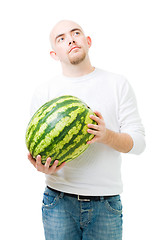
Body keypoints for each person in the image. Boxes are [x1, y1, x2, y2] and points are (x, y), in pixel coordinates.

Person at [28, 20, 146, 240]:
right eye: (61, 38)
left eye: (76, 33)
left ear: (87, 41)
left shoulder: (117, 83)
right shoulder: (45, 91)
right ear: (54, 54)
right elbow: (37, 147)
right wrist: (42, 166)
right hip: (58, 202)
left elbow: (139, 143)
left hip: (106, 205)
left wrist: (106, 135)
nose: (70, 39)